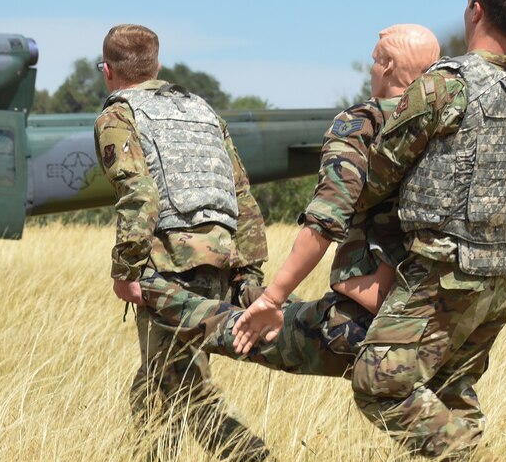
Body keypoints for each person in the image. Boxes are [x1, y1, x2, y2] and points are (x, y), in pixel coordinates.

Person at [239, 0, 506, 462]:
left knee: (378, 384)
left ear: (473, 9)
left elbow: (382, 168)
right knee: (452, 393)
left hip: (440, 274)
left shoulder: (445, 84)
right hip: (496, 277)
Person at [145, 24, 443, 381]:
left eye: (376, 61)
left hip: (369, 316)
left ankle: (154, 293)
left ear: (390, 67)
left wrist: (272, 300)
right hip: (437, 310)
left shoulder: (361, 124)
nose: (371, 69)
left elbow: (325, 222)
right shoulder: (446, 126)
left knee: (255, 331)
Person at [94, 23, 272, 462]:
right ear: (155, 66)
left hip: (170, 264)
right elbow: (241, 194)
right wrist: (249, 273)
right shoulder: (201, 110)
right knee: (154, 385)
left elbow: (139, 196)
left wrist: (125, 270)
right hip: (221, 258)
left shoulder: (117, 116)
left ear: (108, 71)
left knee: (184, 390)